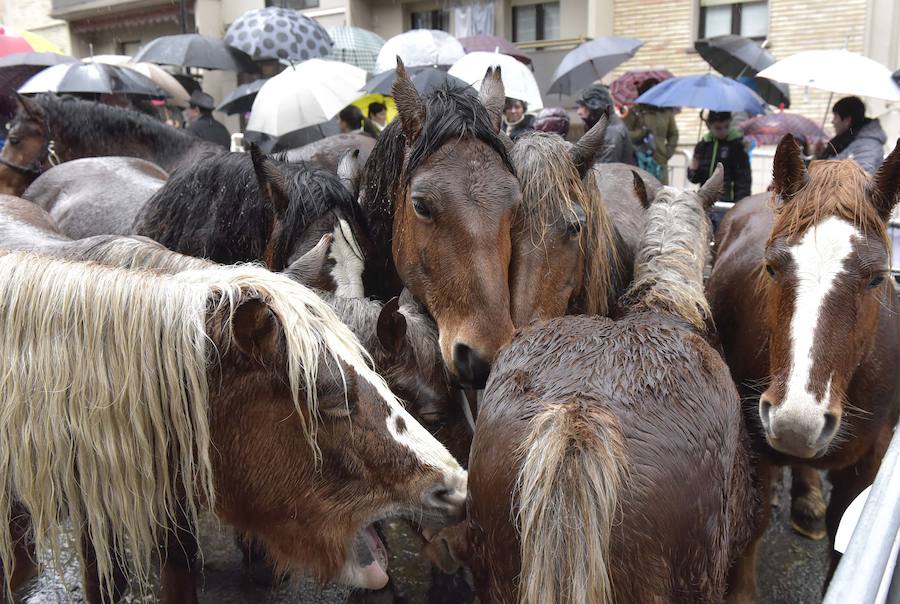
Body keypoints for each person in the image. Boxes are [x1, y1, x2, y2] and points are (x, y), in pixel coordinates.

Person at [688, 111, 751, 204]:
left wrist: (741, 203)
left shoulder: (737, 146)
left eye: (727, 126)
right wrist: (693, 169)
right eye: (718, 128)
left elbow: (743, 180)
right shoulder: (703, 145)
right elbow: (694, 179)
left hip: (728, 202)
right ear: (709, 125)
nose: (723, 131)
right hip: (705, 200)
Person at [623, 78, 679, 183]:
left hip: (660, 161)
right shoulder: (635, 111)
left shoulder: (666, 112)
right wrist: (641, 133)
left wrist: (667, 152)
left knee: (661, 194)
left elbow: (673, 134)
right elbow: (624, 134)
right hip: (640, 161)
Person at [815, 96, 886, 174]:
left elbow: (857, 180)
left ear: (847, 120)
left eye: (835, 117)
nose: (832, 122)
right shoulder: (847, 139)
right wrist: (821, 155)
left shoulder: (868, 146)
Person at [575, 84, 635, 165]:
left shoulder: (612, 132)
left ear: (596, 107)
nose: (579, 112)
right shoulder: (604, 127)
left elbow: (605, 171)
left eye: (583, 106)